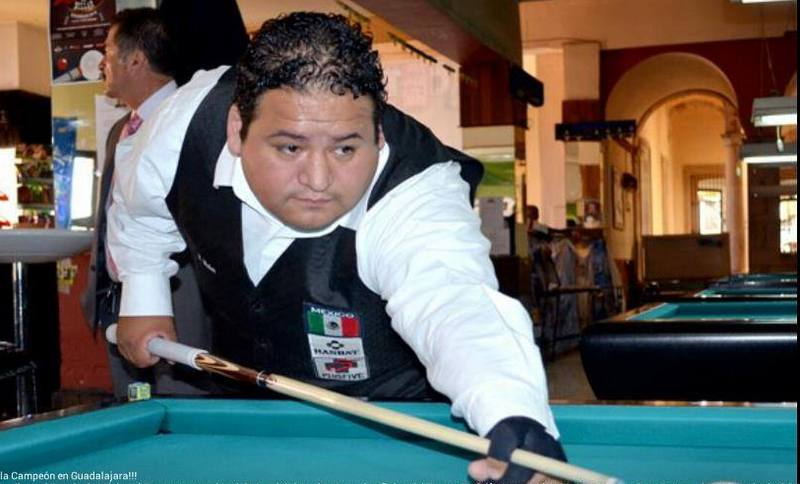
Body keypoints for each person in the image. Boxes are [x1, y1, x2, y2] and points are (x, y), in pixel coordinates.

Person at [107, 12, 566, 482]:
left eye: (345, 149)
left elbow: (456, 303)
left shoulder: (416, 191)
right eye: (290, 148)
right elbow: (137, 206)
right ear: (236, 127)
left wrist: (515, 417)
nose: (318, 180)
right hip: (248, 414)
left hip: (394, 422)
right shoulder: (184, 124)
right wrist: (143, 294)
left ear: (378, 135)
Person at [81, 7, 211, 398]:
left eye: (108, 51)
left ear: (136, 59)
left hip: (182, 297)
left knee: (183, 408)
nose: (101, 63)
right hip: (116, 299)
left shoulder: (194, 119)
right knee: (132, 406)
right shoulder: (120, 131)